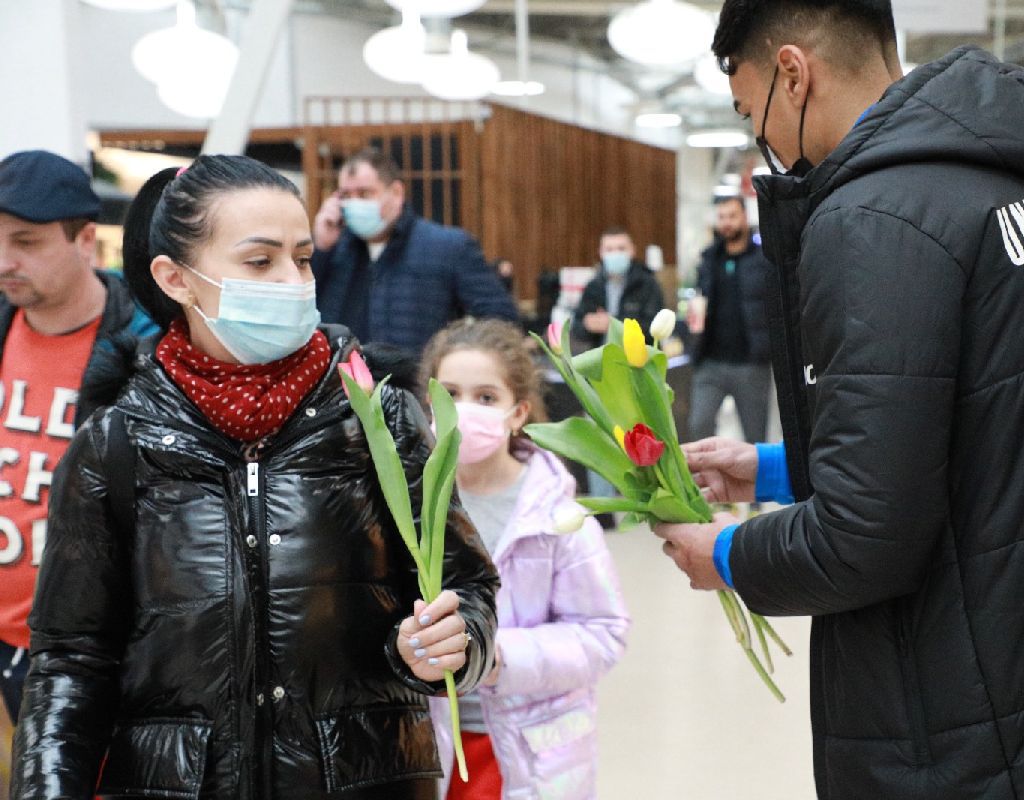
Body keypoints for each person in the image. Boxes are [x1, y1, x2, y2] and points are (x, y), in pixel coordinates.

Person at [653, 2, 1024, 798]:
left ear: (793, 74)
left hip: (996, 694)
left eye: (750, 112)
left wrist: (728, 557)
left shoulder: (875, 215)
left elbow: (864, 537)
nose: (762, 139)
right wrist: (773, 468)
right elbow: (986, 427)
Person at [10, 155, 499, 800]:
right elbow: (71, 658)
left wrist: (454, 641)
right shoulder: (117, 441)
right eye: (260, 261)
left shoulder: (375, 419)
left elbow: (467, 586)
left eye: (303, 258)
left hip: (359, 778)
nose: (293, 282)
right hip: (180, 783)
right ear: (175, 279)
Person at [422, 319, 628, 800]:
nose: (463, 410)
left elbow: (603, 633)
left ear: (518, 413)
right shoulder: (410, 505)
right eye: (449, 394)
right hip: (429, 748)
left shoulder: (557, 516)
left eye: (485, 397)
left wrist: (496, 657)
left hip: (527, 754)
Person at [0, 150, 157, 732]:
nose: (5, 261)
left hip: (88, 650)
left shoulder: (145, 347)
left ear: (86, 240)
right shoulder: (2, 325)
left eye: (26, 242)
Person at [311, 148, 518, 355]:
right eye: (346, 195)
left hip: (418, 373)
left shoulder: (447, 247)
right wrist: (320, 249)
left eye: (365, 193)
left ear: (396, 193)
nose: (354, 203)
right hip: (343, 373)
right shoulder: (333, 248)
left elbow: (500, 322)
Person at [687, 195, 773, 442]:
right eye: (722, 217)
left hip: (751, 364)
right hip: (710, 362)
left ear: (745, 217)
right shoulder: (709, 259)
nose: (727, 223)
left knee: (755, 437)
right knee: (699, 425)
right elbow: (699, 300)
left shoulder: (764, 260)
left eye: (732, 216)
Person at [571, 227, 664, 351]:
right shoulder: (593, 286)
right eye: (609, 249)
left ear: (632, 250)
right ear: (601, 252)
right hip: (603, 356)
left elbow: (655, 327)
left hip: (640, 356)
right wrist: (588, 325)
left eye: (621, 248)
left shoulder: (647, 284)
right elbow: (577, 327)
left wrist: (614, 325)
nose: (615, 254)